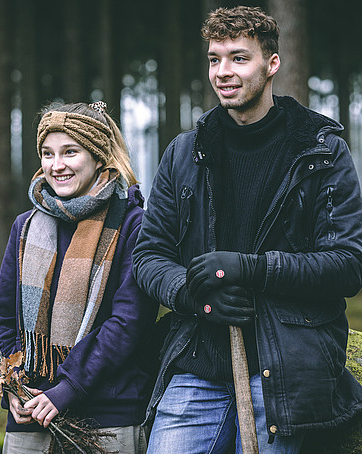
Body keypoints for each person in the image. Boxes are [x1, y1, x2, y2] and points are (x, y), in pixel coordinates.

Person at [132, 5, 362, 454]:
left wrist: (251, 269)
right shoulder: (185, 152)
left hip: (287, 363)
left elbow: (347, 266)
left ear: (271, 64)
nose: (223, 71)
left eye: (239, 58)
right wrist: (191, 293)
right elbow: (149, 256)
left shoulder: (320, 151)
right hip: (198, 358)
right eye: (215, 58)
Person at [0, 101, 157, 454]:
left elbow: (128, 324)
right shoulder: (26, 227)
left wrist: (68, 389)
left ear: (98, 157)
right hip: (30, 414)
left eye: (70, 152)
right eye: (47, 154)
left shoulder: (133, 225)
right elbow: (0, 316)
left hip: (107, 417)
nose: (56, 165)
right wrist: (12, 386)